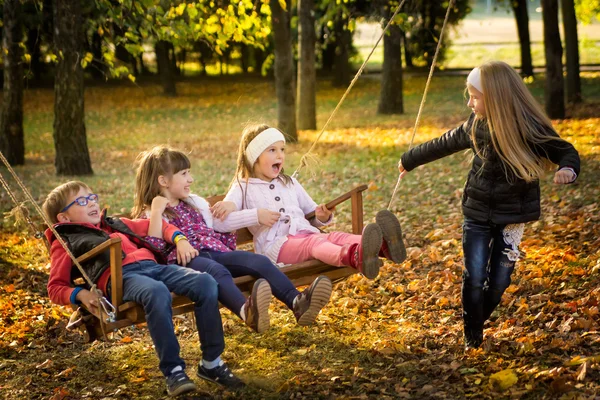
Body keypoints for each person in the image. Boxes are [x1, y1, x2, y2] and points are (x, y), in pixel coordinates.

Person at [397, 61, 581, 349]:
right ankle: (473, 338)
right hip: (478, 212)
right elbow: (445, 142)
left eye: (474, 96)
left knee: (497, 284)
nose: (469, 103)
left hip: (512, 218)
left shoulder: (528, 128)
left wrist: (567, 168)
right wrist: (410, 159)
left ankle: (477, 317)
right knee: (474, 277)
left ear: (495, 96)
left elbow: (564, 150)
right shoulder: (475, 124)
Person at [43, 181, 244, 396]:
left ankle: (211, 362)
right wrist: (81, 294)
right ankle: (173, 370)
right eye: (82, 201)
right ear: (64, 218)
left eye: (93, 197)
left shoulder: (115, 224)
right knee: (156, 291)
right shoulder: (66, 241)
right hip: (124, 279)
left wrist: (180, 239)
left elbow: (158, 226)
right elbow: (55, 286)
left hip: (154, 267)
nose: (92, 203)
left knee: (205, 282)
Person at [132, 146, 333, 330]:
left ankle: (297, 302)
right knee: (217, 272)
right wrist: (157, 211)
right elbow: (155, 247)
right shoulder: (150, 214)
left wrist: (235, 209)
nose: (190, 179)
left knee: (258, 261)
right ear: (163, 181)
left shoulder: (194, 204)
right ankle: (247, 312)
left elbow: (219, 226)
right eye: (184, 174)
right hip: (188, 262)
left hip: (215, 252)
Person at [221, 124, 407, 281]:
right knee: (315, 243)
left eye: (282, 149)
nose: (280, 156)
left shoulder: (289, 182)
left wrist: (321, 217)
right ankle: (354, 256)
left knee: (335, 237)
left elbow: (311, 213)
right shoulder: (243, 186)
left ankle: (384, 246)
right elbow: (225, 219)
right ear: (254, 157)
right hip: (275, 248)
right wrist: (255, 215)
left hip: (306, 234)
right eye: (272, 150)